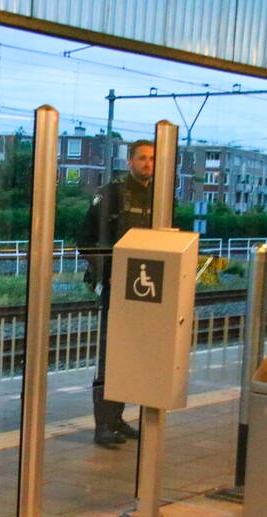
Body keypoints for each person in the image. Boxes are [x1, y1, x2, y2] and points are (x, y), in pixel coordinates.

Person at [80, 140, 154, 448]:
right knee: (109, 356)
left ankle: (118, 418)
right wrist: (102, 274)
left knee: (133, 354)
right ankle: (102, 424)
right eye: (142, 158)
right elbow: (86, 237)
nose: (148, 164)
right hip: (116, 286)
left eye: (152, 159)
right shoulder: (112, 194)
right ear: (130, 163)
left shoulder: (159, 196)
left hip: (148, 289)